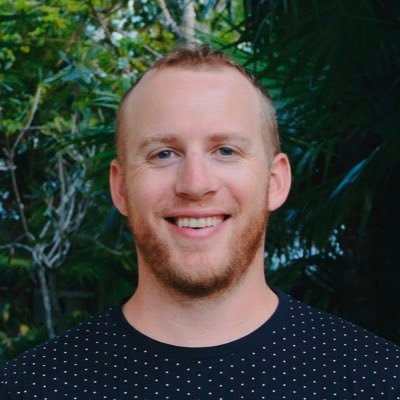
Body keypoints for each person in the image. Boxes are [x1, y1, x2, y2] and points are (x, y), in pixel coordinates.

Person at [1, 44, 399, 400]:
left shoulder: (378, 379)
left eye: (225, 150)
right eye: (163, 154)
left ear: (275, 182)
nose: (195, 184)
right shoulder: (27, 387)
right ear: (120, 188)